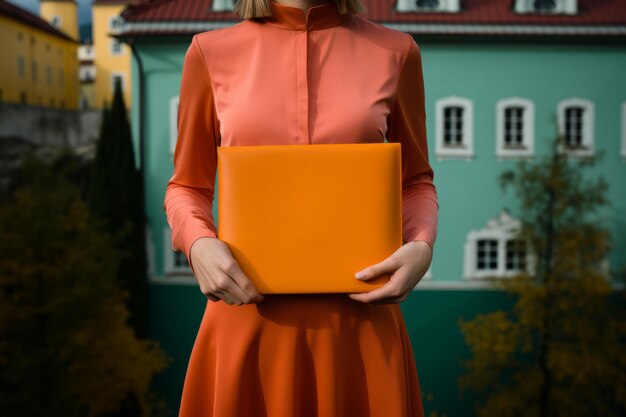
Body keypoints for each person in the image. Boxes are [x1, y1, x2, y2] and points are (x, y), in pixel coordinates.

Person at [163, 0, 439, 415]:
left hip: (361, 325)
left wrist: (421, 245)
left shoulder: (397, 52)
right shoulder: (208, 53)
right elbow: (185, 186)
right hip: (246, 318)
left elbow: (415, 180)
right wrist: (198, 243)